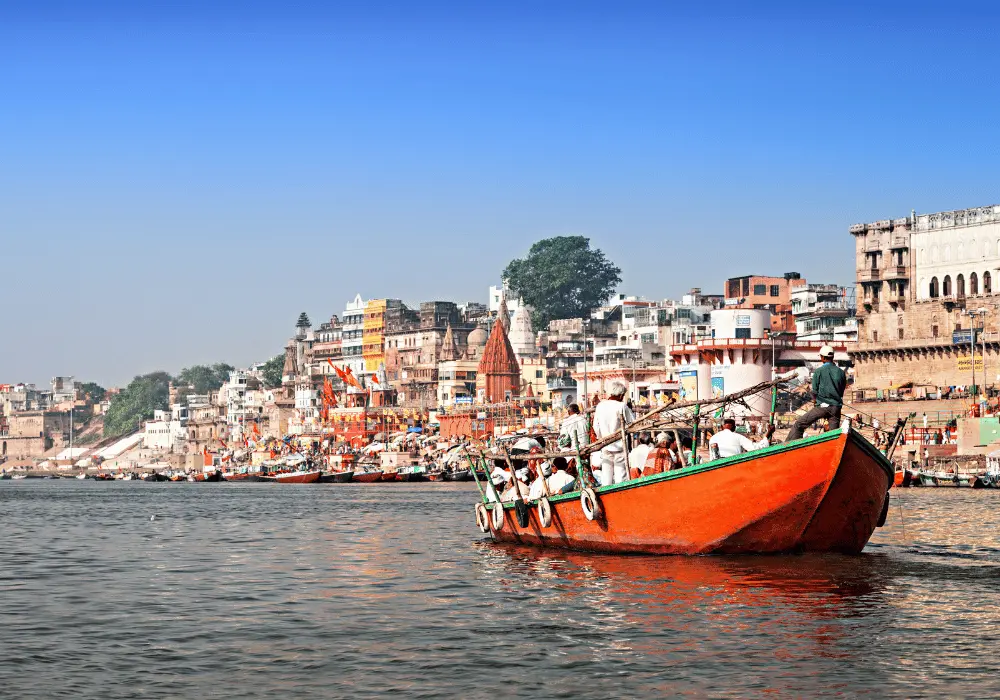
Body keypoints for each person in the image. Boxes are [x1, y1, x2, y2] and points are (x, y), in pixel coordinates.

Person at [787, 346, 847, 441]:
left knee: (799, 424)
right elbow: (842, 390)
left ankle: (789, 446)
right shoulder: (841, 372)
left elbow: (814, 392)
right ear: (833, 357)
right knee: (833, 436)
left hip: (822, 407)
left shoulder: (818, 371)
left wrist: (815, 401)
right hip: (836, 408)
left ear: (822, 358)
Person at [593, 381, 636, 485]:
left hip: (605, 445)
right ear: (621, 395)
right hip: (620, 447)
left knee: (606, 478)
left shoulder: (600, 406)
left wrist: (601, 438)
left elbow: (596, 427)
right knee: (620, 478)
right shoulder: (621, 406)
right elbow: (633, 423)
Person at [709, 419, 774, 459]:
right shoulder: (738, 437)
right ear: (734, 428)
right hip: (734, 467)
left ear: (721, 427)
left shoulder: (713, 438)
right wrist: (768, 433)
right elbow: (756, 448)